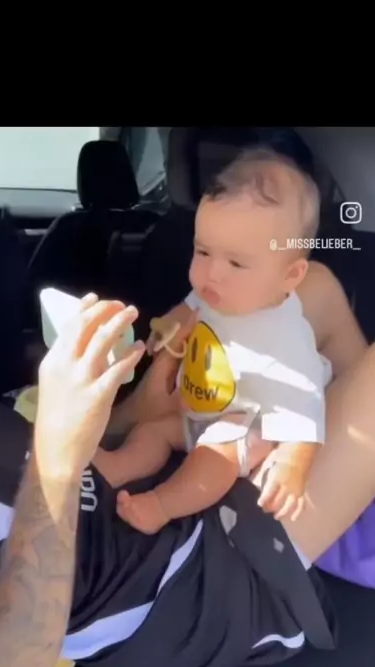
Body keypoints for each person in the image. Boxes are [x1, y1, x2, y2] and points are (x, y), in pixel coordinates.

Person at [0, 151, 375, 667]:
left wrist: (128, 410)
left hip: (146, 466)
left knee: (315, 289)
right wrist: (59, 457)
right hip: (207, 568)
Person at [97, 149, 327, 533]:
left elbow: (307, 410)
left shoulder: (287, 338)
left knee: (218, 451)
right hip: (196, 412)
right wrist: (174, 319)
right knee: (152, 432)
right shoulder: (216, 292)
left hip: (247, 426)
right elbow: (192, 304)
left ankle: (162, 505)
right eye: (203, 251)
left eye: (236, 262)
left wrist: (294, 462)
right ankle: (114, 467)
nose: (212, 273)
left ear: (290, 276)